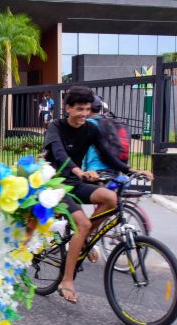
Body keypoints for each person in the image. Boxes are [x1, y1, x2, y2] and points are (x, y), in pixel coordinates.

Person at [43, 86, 153, 304]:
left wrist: (132, 170)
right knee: (82, 224)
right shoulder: (56, 127)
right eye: (79, 109)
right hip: (54, 184)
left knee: (111, 199)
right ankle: (66, 280)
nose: (84, 114)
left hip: (75, 182)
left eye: (87, 109)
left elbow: (107, 154)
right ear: (67, 108)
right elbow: (59, 152)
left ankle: (84, 242)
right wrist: (79, 171)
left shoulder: (90, 130)